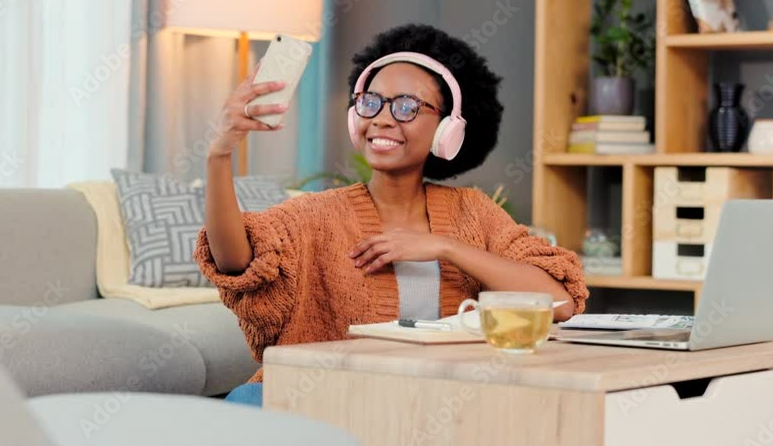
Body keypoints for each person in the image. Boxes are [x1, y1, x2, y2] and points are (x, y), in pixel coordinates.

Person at [195, 24, 588, 407]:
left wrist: (443, 247)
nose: (382, 118)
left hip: (429, 409)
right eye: (371, 102)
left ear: (446, 129)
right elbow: (236, 262)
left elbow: (558, 303)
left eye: (406, 107)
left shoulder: (474, 212)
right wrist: (219, 154)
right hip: (321, 405)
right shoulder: (313, 214)